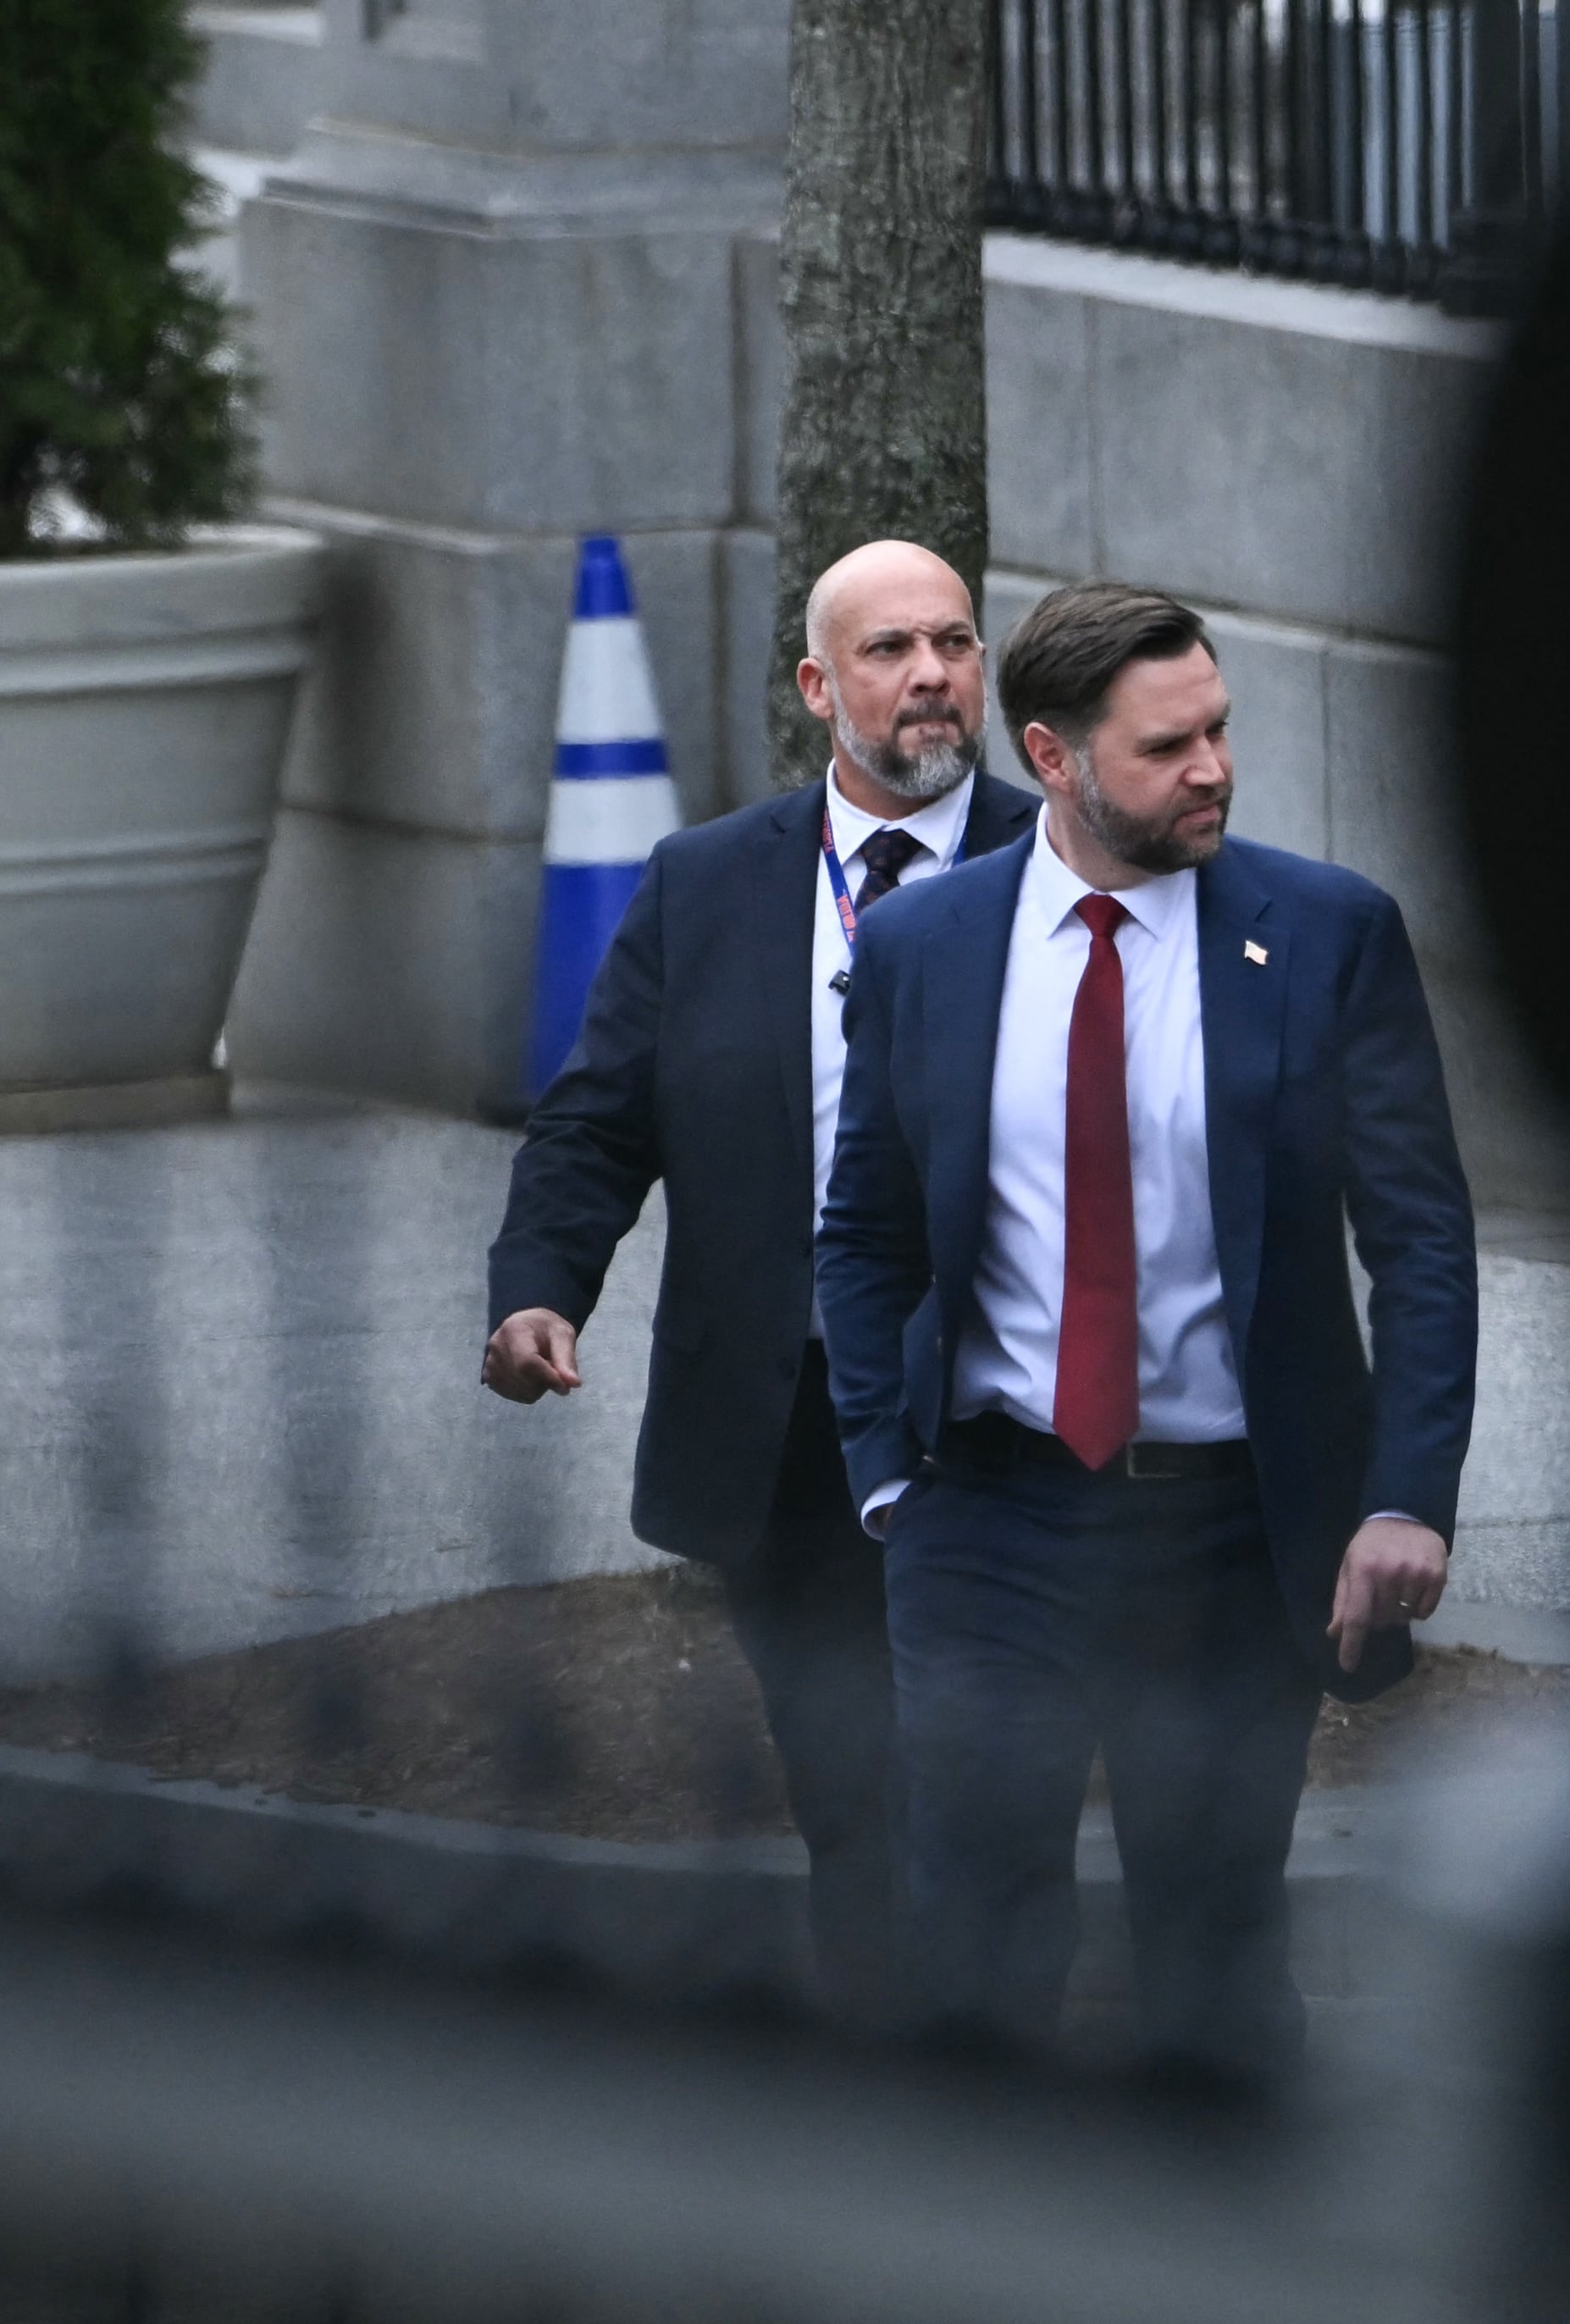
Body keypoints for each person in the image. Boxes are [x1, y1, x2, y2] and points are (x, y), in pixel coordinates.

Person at [816, 579, 1475, 2073]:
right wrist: (885, 1471)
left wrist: (1403, 1498)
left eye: (1220, 729)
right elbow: (863, 1227)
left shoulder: (1325, 936)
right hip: (984, 1517)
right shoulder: (929, 947)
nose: (1214, 769)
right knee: (975, 1939)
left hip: (1226, 1534)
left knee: (1216, 1946)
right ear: (1051, 757)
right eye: (1169, 746)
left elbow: (1423, 1239)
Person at [483, 540, 1037, 2028]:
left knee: (979, 1763)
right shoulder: (707, 884)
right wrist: (542, 1287)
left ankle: (988, 2043)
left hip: (1001, 1412)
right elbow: (600, 1118)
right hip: (788, 1419)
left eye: (955, 644)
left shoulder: (1064, 869)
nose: (931, 677)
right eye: (890, 652)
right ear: (816, 687)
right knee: (846, 1778)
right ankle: (891, 2052)